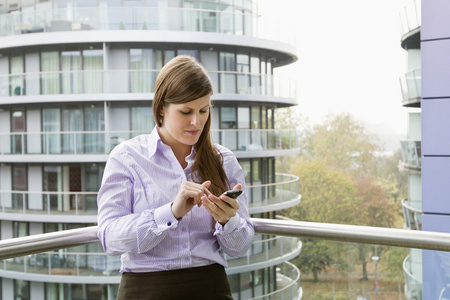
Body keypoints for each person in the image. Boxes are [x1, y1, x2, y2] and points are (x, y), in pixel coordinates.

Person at [97, 55, 255, 300]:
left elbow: (240, 247)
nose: (197, 121)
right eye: (186, 111)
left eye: (204, 110)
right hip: (144, 290)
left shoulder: (224, 160)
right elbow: (109, 238)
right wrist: (171, 213)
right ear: (161, 108)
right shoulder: (127, 157)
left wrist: (228, 222)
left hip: (210, 288)